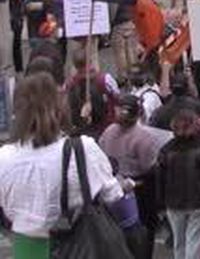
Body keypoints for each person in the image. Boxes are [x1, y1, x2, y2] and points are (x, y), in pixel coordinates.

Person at [0, 72, 125, 259]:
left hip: (26, 248)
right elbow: (113, 195)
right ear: (59, 107)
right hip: (81, 245)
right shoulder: (82, 149)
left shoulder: (3, 157)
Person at [98, 95, 172, 259]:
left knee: (117, 229)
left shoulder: (108, 131)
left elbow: (101, 154)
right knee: (144, 229)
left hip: (113, 186)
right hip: (140, 188)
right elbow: (149, 165)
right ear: (139, 114)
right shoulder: (143, 137)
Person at [157, 109, 200, 259]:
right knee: (195, 242)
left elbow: (160, 180)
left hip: (173, 202)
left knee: (179, 242)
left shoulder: (165, 151)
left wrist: (160, 204)